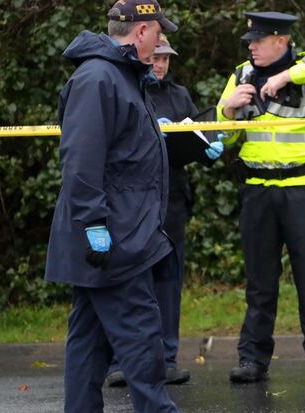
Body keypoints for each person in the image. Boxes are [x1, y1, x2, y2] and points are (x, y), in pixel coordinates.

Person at [44, 1, 220, 413]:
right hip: (112, 235)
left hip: (121, 229)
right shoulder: (99, 79)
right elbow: (81, 161)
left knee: (90, 339)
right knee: (142, 332)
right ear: (141, 30)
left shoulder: (121, 77)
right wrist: (94, 226)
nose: (161, 42)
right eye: (158, 33)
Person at [216, 12, 305, 384]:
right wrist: (229, 109)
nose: (250, 46)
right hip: (257, 192)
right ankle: (252, 359)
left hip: (301, 190)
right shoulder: (240, 75)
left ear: (281, 41)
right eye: (249, 41)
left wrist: (284, 77)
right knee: (259, 282)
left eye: (258, 40)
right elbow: (224, 138)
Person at [105, 34, 224, 388]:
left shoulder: (179, 95)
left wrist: (207, 149)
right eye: (155, 58)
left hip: (171, 200)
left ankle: (167, 358)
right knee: (128, 280)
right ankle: (120, 361)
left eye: (166, 60)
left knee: (169, 283)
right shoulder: (125, 89)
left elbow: (196, 141)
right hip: (132, 201)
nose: (160, 65)